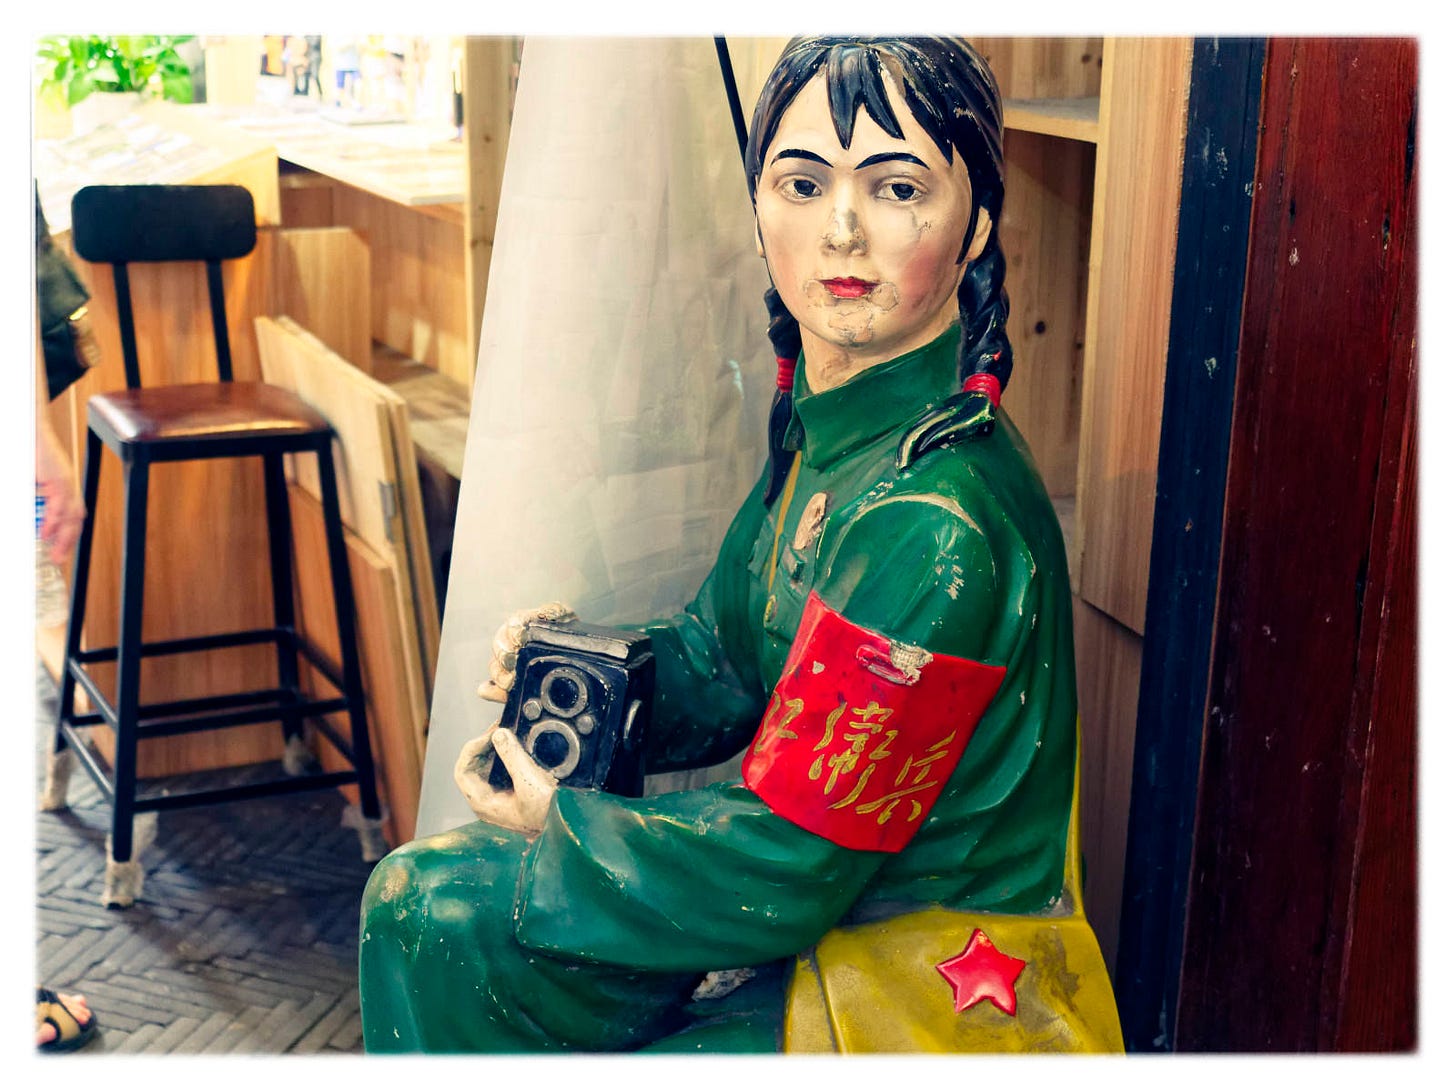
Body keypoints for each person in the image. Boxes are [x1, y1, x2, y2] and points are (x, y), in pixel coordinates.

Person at [358, 36, 1119, 1053]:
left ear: (974, 223)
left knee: (439, 915)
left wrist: (564, 827)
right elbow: (722, 656)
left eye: (896, 188)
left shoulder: (932, 521)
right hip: (811, 914)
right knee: (427, 904)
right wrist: (591, 669)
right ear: (758, 210)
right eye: (801, 184)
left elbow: (795, 862)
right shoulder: (832, 437)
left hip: (899, 973)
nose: (840, 231)